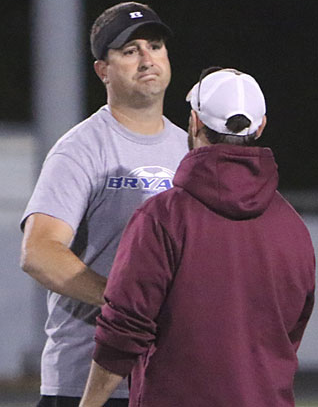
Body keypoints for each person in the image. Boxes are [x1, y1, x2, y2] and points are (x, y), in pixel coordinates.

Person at [79, 67, 316, 407]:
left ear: (194, 121)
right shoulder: (293, 228)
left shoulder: (162, 217)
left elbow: (122, 332)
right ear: (260, 126)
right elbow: (288, 332)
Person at [20, 1, 188, 407]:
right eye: (130, 51)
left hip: (170, 382)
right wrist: (127, 302)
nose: (147, 58)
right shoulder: (80, 149)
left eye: (155, 46)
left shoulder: (191, 148)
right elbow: (39, 252)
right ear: (102, 70)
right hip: (85, 383)